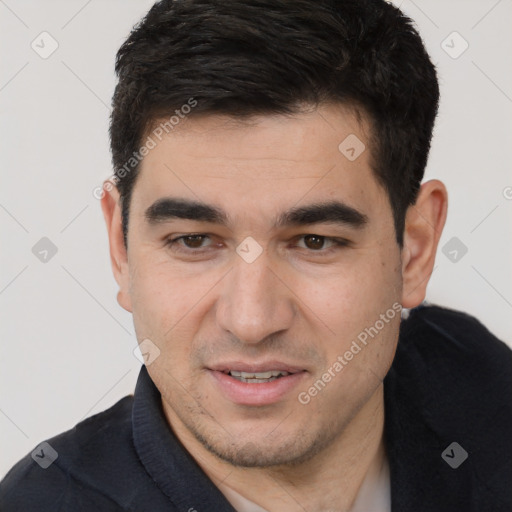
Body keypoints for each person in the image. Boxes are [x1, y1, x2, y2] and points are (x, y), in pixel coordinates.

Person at [1, 0, 511, 510]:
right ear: (122, 247)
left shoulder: (483, 386)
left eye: (315, 241)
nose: (251, 321)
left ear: (414, 252)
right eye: (194, 241)